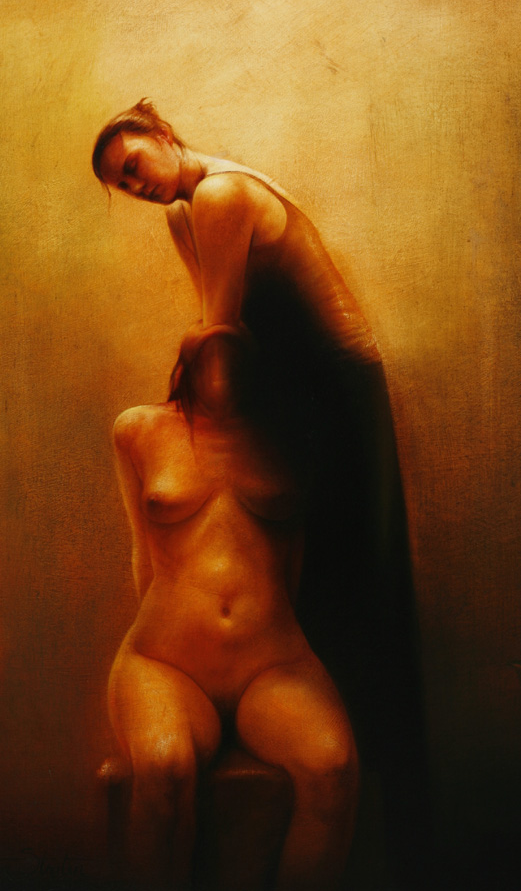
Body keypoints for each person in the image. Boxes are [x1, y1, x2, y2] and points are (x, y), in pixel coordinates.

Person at [94, 101, 429, 886]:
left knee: (347, 597)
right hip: (281, 383)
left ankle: (385, 807)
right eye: (123, 184)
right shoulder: (184, 214)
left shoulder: (220, 195)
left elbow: (218, 328)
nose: (137, 185)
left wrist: (203, 399)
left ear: (163, 136)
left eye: (135, 165)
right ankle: (239, 702)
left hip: (331, 389)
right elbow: (213, 329)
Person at [109, 325, 359, 890]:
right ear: (186, 355)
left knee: (334, 768)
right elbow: (140, 552)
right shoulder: (139, 430)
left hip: (270, 665)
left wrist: (264, 632)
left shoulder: (292, 435)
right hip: (166, 661)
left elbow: (296, 559)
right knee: (165, 767)